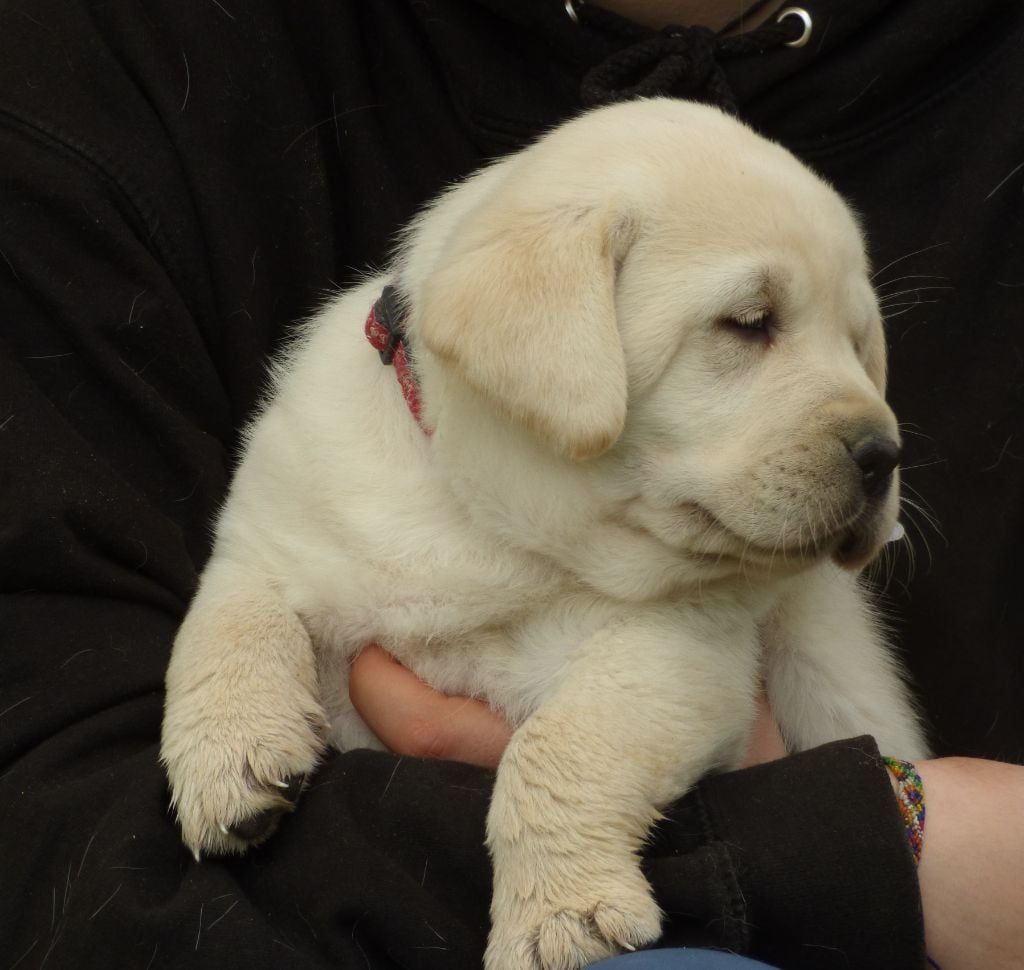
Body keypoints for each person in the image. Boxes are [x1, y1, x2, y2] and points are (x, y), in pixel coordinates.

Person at [0, 1, 1021, 968]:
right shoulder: (336, 409)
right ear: (542, 336)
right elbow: (255, 573)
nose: (872, 431)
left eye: (857, 345)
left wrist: (577, 825)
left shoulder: (670, 536)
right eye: (747, 325)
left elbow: (677, 677)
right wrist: (238, 665)